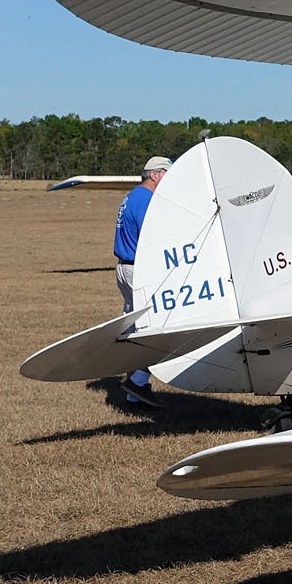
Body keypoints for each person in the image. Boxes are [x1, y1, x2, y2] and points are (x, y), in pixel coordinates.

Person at [113, 155, 171, 408]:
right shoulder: (148, 201)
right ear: (155, 174)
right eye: (167, 173)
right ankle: (137, 382)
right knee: (157, 328)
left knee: (135, 330)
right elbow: (156, 236)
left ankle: (133, 391)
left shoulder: (131, 197)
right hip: (140, 271)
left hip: (125, 269)